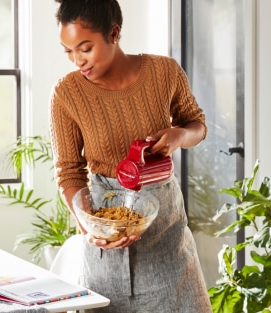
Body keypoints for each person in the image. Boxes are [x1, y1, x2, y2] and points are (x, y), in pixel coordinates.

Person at [48, 0, 212, 312]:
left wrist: (178, 135)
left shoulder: (164, 72)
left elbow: (197, 125)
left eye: (85, 48)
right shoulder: (66, 93)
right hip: (104, 231)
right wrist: (91, 229)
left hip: (166, 236)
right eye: (68, 51)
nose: (76, 60)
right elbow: (69, 171)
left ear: (114, 32)